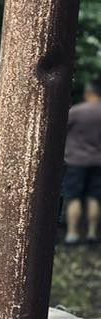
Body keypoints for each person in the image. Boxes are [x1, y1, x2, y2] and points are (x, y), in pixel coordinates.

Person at [63, 78, 101, 245]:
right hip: (98, 161)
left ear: (89, 92)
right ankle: (92, 233)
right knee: (95, 197)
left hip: (76, 161)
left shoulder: (76, 111)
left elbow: (60, 130)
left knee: (74, 197)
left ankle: (73, 234)